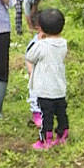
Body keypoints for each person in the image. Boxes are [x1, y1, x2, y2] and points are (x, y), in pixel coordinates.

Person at [24, 8, 68, 150]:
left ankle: (45, 140)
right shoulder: (63, 43)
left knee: (46, 116)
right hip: (59, 88)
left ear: (41, 28)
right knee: (61, 113)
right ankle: (62, 135)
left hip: (44, 90)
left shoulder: (41, 45)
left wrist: (40, 39)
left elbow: (29, 56)